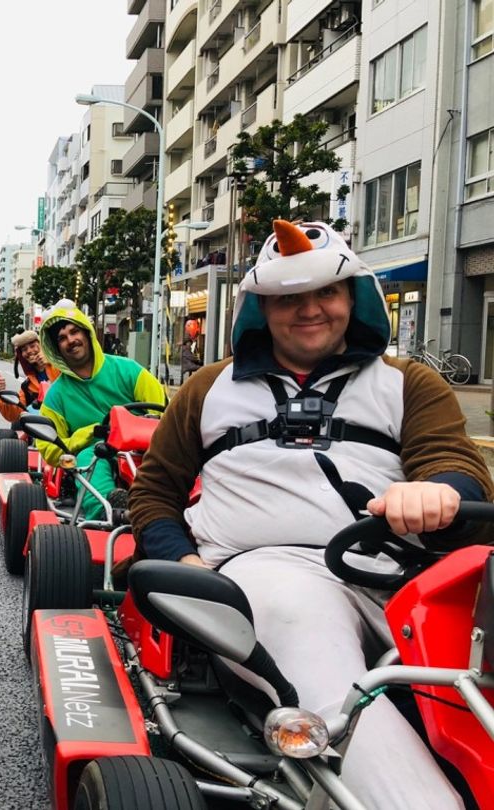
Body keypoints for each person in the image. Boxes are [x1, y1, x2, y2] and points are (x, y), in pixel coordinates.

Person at [127, 220, 493, 810]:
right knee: (323, 662)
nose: (310, 311)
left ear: (353, 298)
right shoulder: (206, 387)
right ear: (263, 309)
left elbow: (455, 464)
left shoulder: (409, 384)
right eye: (289, 299)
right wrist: (188, 565)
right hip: (267, 575)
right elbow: (154, 492)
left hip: (411, 575)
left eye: (326, 293)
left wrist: (440, 493)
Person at [36, 300, 167, 521]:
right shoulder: (55, 396)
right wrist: (86, 435)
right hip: (98, 455)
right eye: (62, 338)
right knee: (89, 456)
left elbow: (165, 415)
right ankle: (110, 508)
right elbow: (48, 449)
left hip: (145, 452)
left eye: (74, 332)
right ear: (56, 348)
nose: (71, 340)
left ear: (87, 333)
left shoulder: (129, 371)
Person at [0, 329, 59, 423]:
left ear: (42, 347)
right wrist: (3, 392)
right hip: (43, 428)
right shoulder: (27, 386)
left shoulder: (61, 368)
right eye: (24, 349)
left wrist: (51, 359)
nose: (29, 351)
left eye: (32, 346)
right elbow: (14, 415)